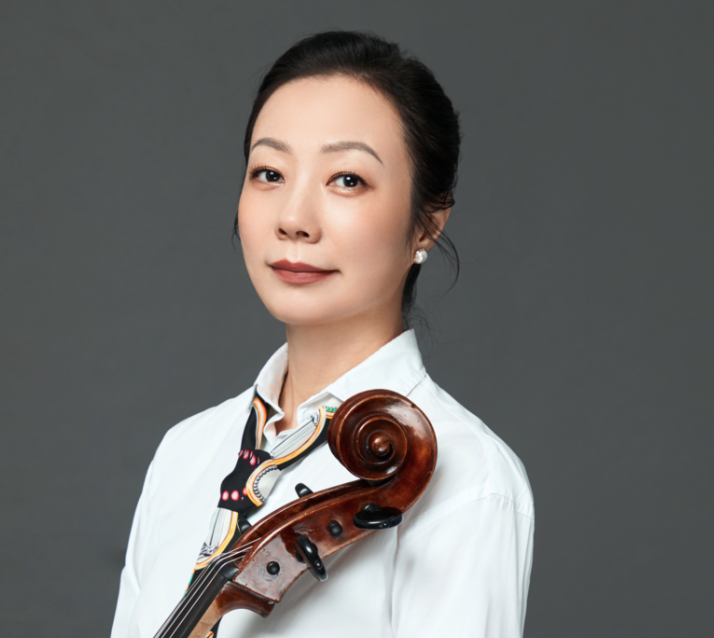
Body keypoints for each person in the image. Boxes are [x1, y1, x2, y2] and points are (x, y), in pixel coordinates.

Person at [110, 31, 534, 638]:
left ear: (427, 223)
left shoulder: (470, 479)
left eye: (347, 180)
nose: (293, 219)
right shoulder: (186, 453)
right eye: (269, 172)